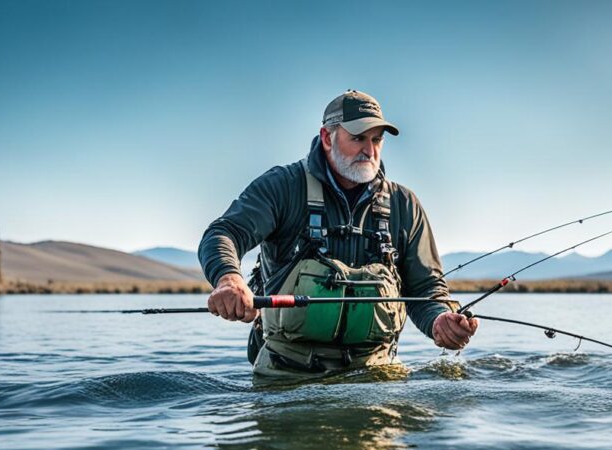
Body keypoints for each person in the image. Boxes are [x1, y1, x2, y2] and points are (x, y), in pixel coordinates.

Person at [199, 89, 477, 377]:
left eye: (376, 139)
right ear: (327, 137)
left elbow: (426, 289)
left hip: (377, 375)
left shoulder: (403, 204)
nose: (369, 150)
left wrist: (440, 321)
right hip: (287, 375)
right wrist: (228, 278)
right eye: (358, 138)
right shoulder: (282, 186)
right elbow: (224, 232)